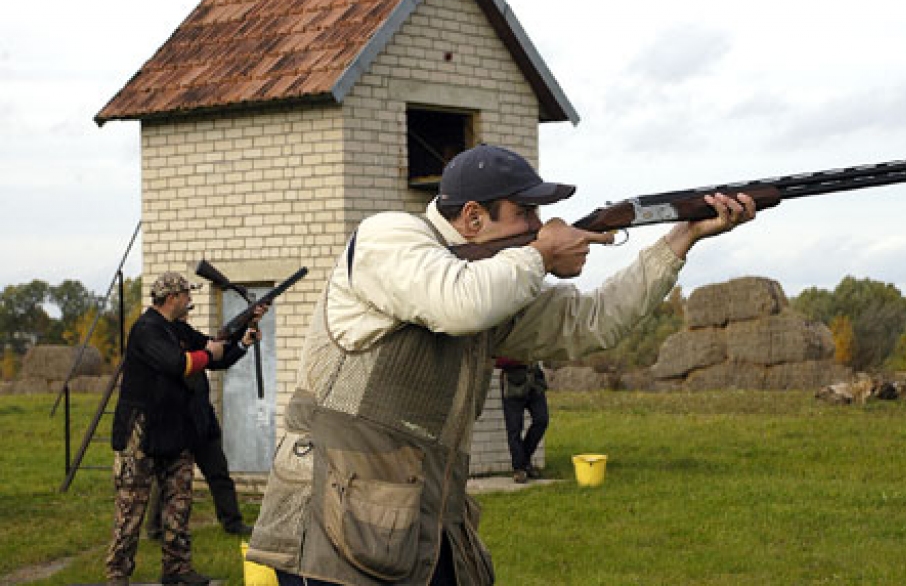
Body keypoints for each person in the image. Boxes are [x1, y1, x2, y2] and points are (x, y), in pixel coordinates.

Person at [245, 144, 755, 586]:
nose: (540, 226)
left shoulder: (495, 278)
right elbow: (458, 302)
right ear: (472, 217)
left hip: (417, 526)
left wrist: (679, 241)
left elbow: (591, 321)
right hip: (335, 527)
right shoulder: (389, 236)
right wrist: (540, 255)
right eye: (526, 214)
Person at [105, 272, 263, 586]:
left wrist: (244, 334)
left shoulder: (178, 328)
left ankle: (177, 570)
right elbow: (178, 363)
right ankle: (118, 574)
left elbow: (215, 352)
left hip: (176, 430)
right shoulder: (146, 330)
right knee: (132, 508)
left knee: (179, 503)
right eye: (186, 296)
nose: (190, 300)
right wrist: (209, 353)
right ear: (173, 298)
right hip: (142, 431)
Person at [146, 318, 259, 539]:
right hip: (176, 422)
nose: (187, 311)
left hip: (202, 419)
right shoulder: (158, 341)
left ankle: (232, 522)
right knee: (167, 479)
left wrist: (243, 341)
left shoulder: (188, 335)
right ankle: (156, 528)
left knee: (219, 474)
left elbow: (218, 357)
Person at [495, 356, 549, 483]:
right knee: (514, 429)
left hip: (534, 383)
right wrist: (519, 360)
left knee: (542, 420)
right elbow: (496, 361)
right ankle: (519, 468)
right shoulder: (506, 338)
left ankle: (524, 461)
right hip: (513, 384)